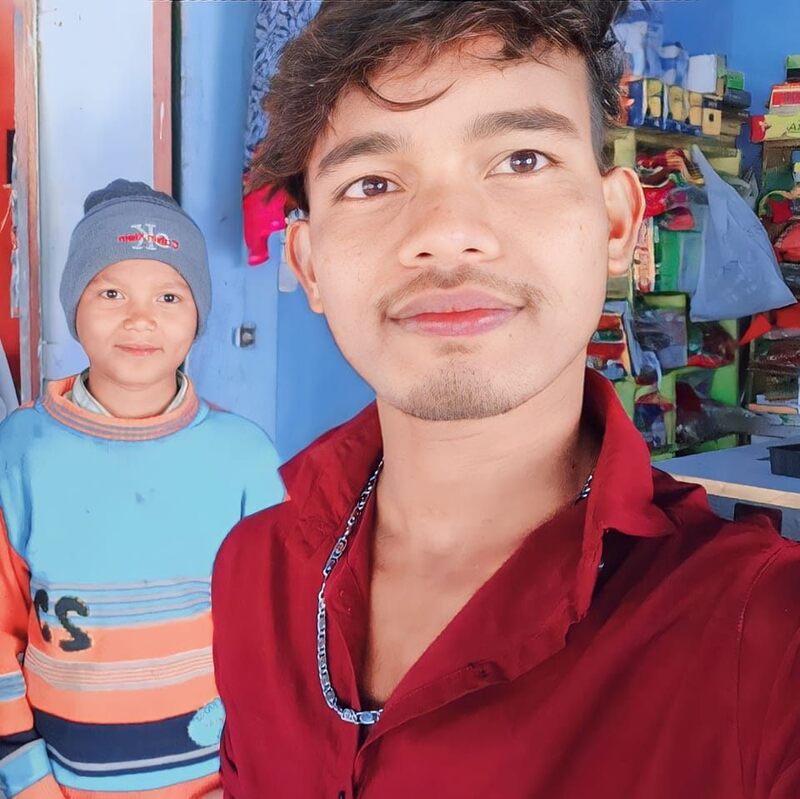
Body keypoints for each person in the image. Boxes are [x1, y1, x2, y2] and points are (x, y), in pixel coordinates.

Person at [213, 2, 800, 797]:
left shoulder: (760, 640)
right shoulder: (253, 573)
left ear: (616, 223)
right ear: (310, 264)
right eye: (372, 181)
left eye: (522, 159)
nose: (447, 232)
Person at [0, 179, 283, 798]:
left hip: (215, 780)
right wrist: (24, 774)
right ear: (74, 307)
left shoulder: (245, 459)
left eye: (169, 295)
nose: (140, 317)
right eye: (110, 292)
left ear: (197, 316)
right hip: (58, 786)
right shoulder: (19, 451)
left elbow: (275, 636)